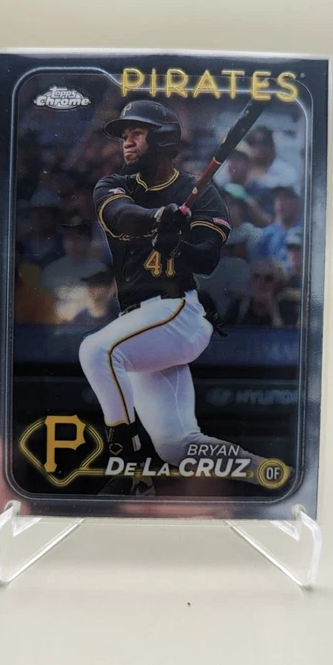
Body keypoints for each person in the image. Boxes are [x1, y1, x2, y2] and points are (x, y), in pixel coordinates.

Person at [78, 99, 263, 487]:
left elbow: (207, 260)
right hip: (139, 326)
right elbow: (120, 215)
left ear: (163, 139)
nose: (127, 142)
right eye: (124, 136)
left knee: (96, 351)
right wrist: (158, 218)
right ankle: (268, 473)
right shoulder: (113, 185)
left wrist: (178, 246)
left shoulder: (200, 192)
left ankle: (126, 455)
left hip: (178, 313)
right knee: (177, 447)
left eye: (137, 133)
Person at [42, 214, 107, 320]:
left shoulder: (101, 270)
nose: (73, 242)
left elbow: (102, 310)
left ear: (88, 241)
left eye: (78, 237)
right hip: (57, 326)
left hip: (89, 326)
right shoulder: (51, 271)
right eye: (69, 237)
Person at [196, 221, 253, 316]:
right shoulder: (236, 264)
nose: (245, 247)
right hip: (226, 318)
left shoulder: (203, 263)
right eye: (241, 244)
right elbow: (241, 294)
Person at [224, 258, 298, 328]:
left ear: (278, 284)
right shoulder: (238, 305)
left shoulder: (288, 307)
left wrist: (274, 313)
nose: (261, 282)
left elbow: (285, 335)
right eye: (256, 276)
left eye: (268, 278)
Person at [253, 185, 303, 262]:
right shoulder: (267, 234)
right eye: (278, 198)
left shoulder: (305, 231)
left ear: (297, 202)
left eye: (286, 198)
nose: (281, 203)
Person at [246, 126, 299, 191]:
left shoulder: (285, 170)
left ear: (271, 145)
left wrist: (263, 179)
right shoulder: (240, 168)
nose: (258, 147)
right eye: (252, 142)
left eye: (263, 142)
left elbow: (291, 182)